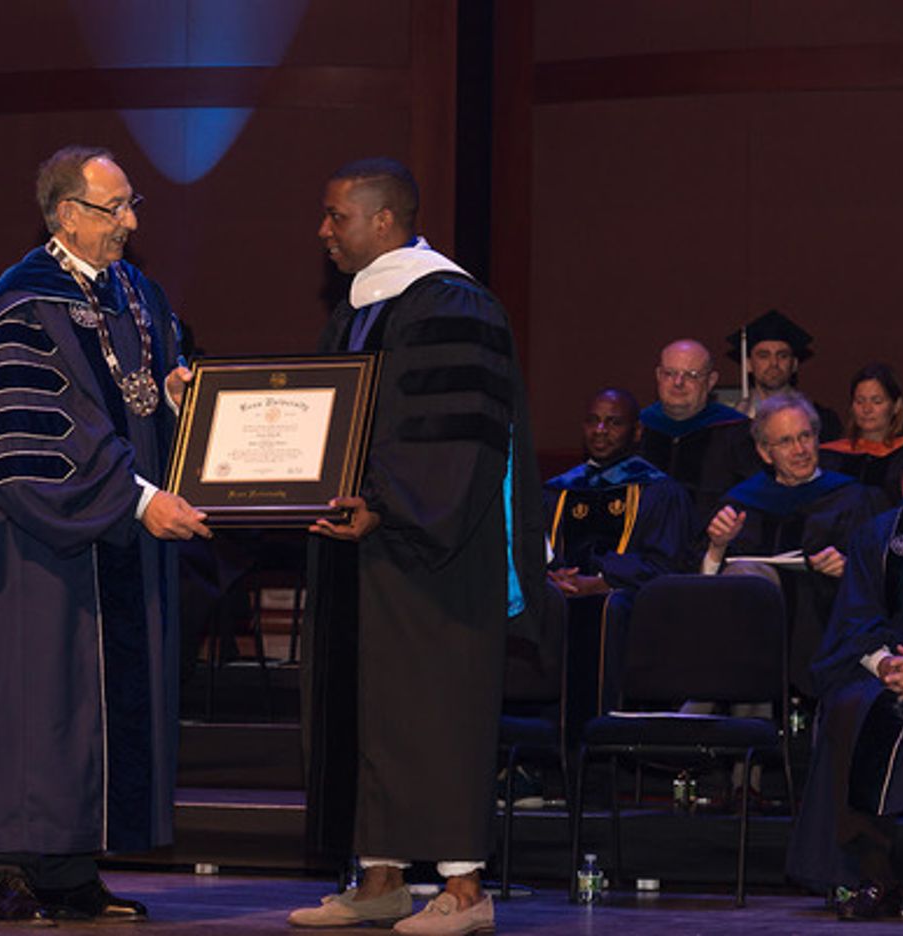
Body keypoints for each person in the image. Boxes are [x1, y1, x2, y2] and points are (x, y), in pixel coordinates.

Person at [292, 158, 543, 935]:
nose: (323, 232)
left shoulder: (454, 304)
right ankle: (380, 879)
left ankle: (465, 893)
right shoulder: (362, 310)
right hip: (362, 545)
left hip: (438, 550)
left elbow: (455, 439)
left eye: (336, 216)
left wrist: (389, 508)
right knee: (372, 712)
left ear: (383, 221)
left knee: (435, 712)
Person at [0, 145, 210, 924]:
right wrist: (135, 501)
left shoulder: (137, 293)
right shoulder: (22, 305)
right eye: (115, 208)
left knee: (94, 715)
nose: (131, 223)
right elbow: (40, 437)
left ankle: (70, 869)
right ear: (68, 213)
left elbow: (145, 393)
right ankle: (2, 870)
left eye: (133, 205)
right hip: (46, 544)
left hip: (122, 541)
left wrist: (178, 399)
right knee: (42, 705)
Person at [786, 405, 903, 921]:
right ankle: (876, 877)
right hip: (896, 671)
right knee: (852, 705)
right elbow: (856, 618)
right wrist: (888, 666)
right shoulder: (882, 534)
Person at [702, 394, 882, 700]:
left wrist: (848, 568)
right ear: (764, 451)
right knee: (747, 579)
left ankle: (727, 703)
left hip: (824, 625)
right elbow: (706, 590)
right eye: (786, 441)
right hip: (749, 620)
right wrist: (717, 548)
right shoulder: (742, 502)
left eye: (805, 437)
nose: (800, 450)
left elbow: (883, 576)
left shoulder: (853, 499)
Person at [543, 387, 691, 711]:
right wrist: (555, 579)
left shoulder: (660, 492)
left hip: (628, 608)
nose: (600, 431)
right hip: (561, 602)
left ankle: (609, 738)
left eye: (613, 423)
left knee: (610, 611)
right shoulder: (557, 490)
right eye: (593, 421)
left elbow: (666, 565)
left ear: (636, 432)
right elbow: (539, 553)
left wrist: (602, 583)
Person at [637, 339, 759, 524]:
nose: (678, 383)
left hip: (711, 547)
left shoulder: (738, 432)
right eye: (669, 373)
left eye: (691, 375)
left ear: (711, 381)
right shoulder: (636, 430)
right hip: (641, 548)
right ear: (658, 376)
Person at [728, 309, 842, 441]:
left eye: (782, 356)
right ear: (748, 364)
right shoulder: (733, 422)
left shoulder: (822, 421)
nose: (774, 363)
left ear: (793, 364)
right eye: (764, 356)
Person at [819, 363, 903, 506]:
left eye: (877, 401)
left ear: (896, 406)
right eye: (860, 401)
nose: (867, 409)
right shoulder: (830, 456)